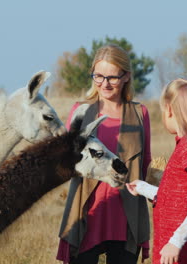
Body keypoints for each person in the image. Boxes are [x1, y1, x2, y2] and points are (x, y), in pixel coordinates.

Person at [56, 44, 152, 264]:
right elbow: (66, 162)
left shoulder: (140, 113)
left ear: (126, 76)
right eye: (98, 76)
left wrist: (159, 193)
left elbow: (146, 161)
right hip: (87, 214)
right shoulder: (81, 111)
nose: (104, 84)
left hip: (126, 217)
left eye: (112, 77)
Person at [126, 78, 187, 264]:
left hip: (186, 250)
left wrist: (176, 242)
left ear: (169, 109)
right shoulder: (183, 147)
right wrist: (143, 187)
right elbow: (175, 198)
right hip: (173, 248)